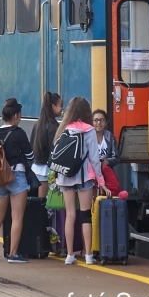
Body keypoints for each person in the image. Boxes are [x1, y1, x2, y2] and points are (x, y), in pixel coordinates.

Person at [55, 97, 111, 265]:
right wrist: (101, 181)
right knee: (85, 215)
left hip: (66, 176)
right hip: (84, 176)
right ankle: (88, 255)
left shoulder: (64, 128)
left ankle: (69, 254)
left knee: (70, 215)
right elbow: (94, 159)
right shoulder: (89, 130)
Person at [0, 98, 35, 264]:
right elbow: (30, 156)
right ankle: (13, 254)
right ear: (15, 116)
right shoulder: (19, 133)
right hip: (16, 177)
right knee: (17, 217)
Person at [30, 92, 63, 198]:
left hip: (36, 168)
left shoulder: (38, 124)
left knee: (37, 202)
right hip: (46, 171)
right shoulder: (53, 127)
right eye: (61, 105)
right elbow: (55, 151)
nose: (62, 108)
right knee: (43, 202)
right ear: (53, 107)